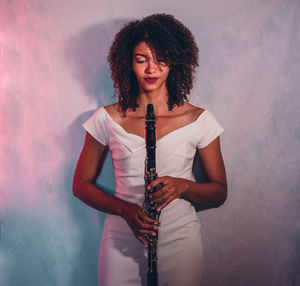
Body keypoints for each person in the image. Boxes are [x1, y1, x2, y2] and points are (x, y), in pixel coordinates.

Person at [73, 13, 227, 286]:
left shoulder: (199, 119)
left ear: (175, 62)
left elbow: (219, 192)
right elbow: (81, 185)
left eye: (161, 59)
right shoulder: (106, 118)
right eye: (141, 59)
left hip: (179, 238)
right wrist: (125, 211)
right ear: (128, 63)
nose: (151, 69)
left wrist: (183, 186)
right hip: (120, 237)